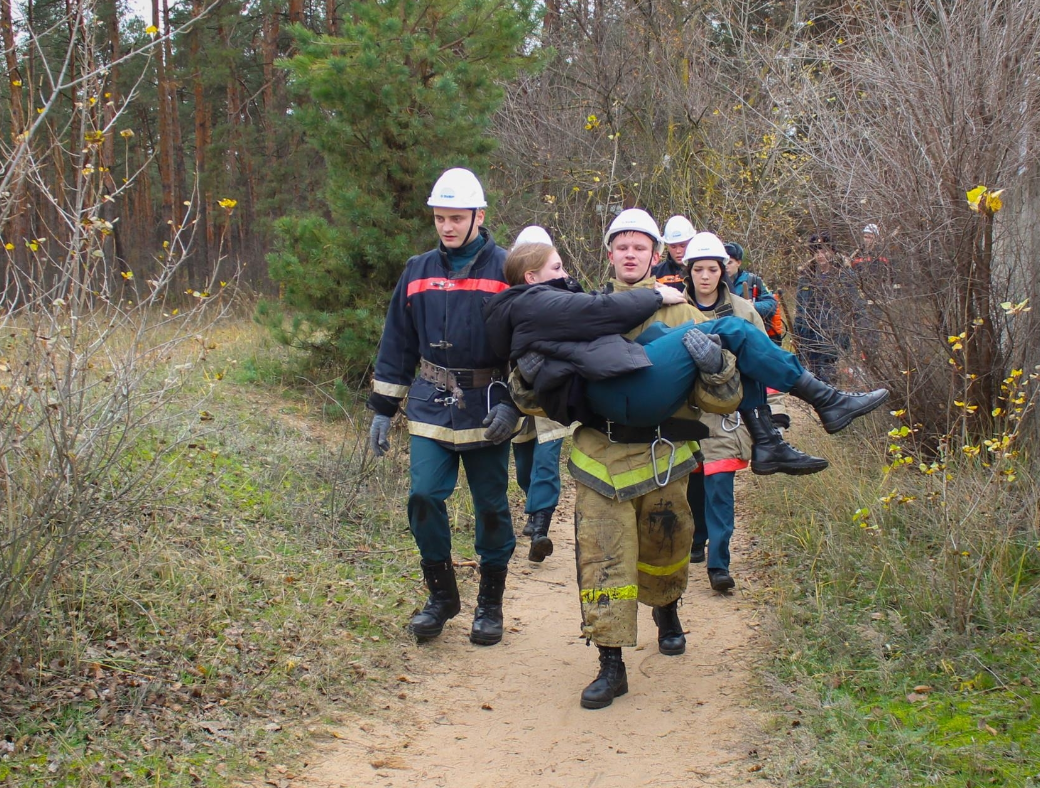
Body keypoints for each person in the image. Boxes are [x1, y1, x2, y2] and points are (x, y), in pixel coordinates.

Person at [484, 211, 889, 709]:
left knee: (666, 550)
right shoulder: (582, 305)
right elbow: (540, 382)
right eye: (621, 246)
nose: (630, 254)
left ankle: (668, 613)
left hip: (664, 453)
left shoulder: (685, 315)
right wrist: (509, 396)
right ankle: (610, 663)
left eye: (640, 247)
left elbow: (721, 401)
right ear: (608, 254)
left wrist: (716, 370)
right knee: (602, 560)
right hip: (600, 454)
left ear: (656, 255)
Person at [367, 167, 522, 648]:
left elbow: (530, 341)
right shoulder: (416, 272)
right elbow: (398, 340)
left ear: (479, 215)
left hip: (488, 406)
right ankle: (441, 597)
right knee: (424, 497)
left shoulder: (506, 270)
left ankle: (490, 606)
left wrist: (516, 403)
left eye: (457, 217)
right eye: (440, 218)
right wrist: (382, 407)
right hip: (430, 404)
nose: (448, 227)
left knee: (491, 507)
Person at [682, 232, 825, 592]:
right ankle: (696, 541)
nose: (704, 276)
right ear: (689, 271)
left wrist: (774, 417)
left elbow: (767, 366)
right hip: (685, 419)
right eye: (698, 269)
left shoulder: (744, 312)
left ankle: (720, 563)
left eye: (711, 269)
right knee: (693, 488)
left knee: (720, 489)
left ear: (722, 270)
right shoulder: (674, 311)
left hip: (729, 420)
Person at [509, 225, 572, 563]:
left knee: (546, 463)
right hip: (519, 398)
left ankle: (540, 525)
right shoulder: (506, 300)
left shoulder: (568, 298)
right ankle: (534, 510)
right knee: (524, 467)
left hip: (552, 397)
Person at [795, 232, 859, 384]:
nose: (820, 255)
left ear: (832, 252)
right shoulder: (807, 277)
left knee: (829, 376)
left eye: (824, 251)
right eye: (816, 252)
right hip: (809, 335)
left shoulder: (843, 276)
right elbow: (800, 308)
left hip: (833, 334)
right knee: (811, 377)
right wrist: (798, 333)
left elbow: (855, 306)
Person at [723, 241, 785, 346]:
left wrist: (753, 306)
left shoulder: (753, 281)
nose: (726, 266)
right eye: (723, 263)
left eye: (730, 262)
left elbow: (772, 305)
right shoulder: (714, 282)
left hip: (752, 337)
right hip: (726, 336)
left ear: (739, 263)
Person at [652, 215, 696, 293]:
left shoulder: (700, 271)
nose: (678, 251)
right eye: (673, 246)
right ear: (667, 246)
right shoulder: (655, 273)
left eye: (682, 245)